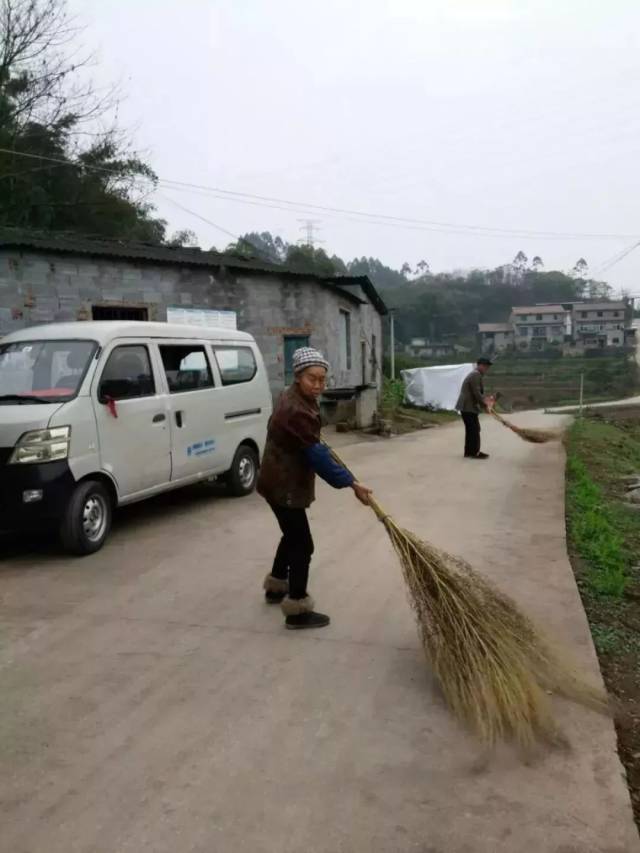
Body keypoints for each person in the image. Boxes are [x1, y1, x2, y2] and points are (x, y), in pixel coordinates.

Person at [257, 347, 372, 630]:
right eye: (312, 378)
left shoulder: (295, 396)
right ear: (298, 376)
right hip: (284, 484)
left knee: (291, 534)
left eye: (322, 379)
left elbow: (312, 444)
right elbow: (317, 456)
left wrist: (319, 446)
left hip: (276, 480)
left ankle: (275, 587)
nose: (319, 385)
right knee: (302, 544)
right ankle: (297, 610)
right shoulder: (295, 408)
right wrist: (351, 483)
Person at [456, 357, 493, 460]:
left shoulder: (475, 374)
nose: (486, 368)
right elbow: (476, 393)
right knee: (474, 429)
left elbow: (477, 393)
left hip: (468, 407)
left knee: (472, 429)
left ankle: (470, 452)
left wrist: (484, 403)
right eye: (485, 366)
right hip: (468, 406)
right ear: (479, 365)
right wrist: (485, 405)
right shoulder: (475, 375)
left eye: (488, 367)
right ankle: (473, 452)